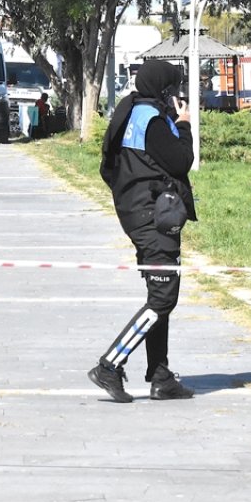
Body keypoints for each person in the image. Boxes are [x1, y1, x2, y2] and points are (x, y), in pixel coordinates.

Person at [89, 60, 198, 403]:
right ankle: (111, 364)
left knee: (159, 295)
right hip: (153, 218)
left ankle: (161, 375)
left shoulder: (132, 112)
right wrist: (184, 125)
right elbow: (181, 161)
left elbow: (110, 167)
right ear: (164, 91)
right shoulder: (152, 121)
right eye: (174, 90)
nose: (177, 96)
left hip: (140, 213)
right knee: (163, 298)